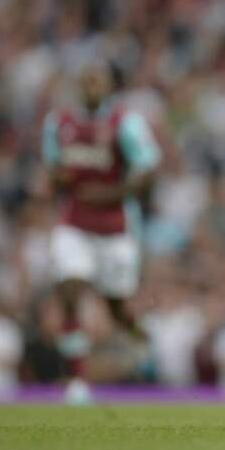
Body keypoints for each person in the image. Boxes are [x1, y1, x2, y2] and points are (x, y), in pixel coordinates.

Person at [42, 62, 161, 404]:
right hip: (74, 222)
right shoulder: (59, 123)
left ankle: (141, 337)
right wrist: (58, 179)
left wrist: (111, 194)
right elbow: (52, 170)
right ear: (79, 85)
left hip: (115, 226)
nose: (92, 86)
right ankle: (77, 381)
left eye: (98, 80)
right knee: (70, 290)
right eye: (87, 80)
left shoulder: (124, 123)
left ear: (109, 86)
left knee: (115, 307)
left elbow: (147, 169)